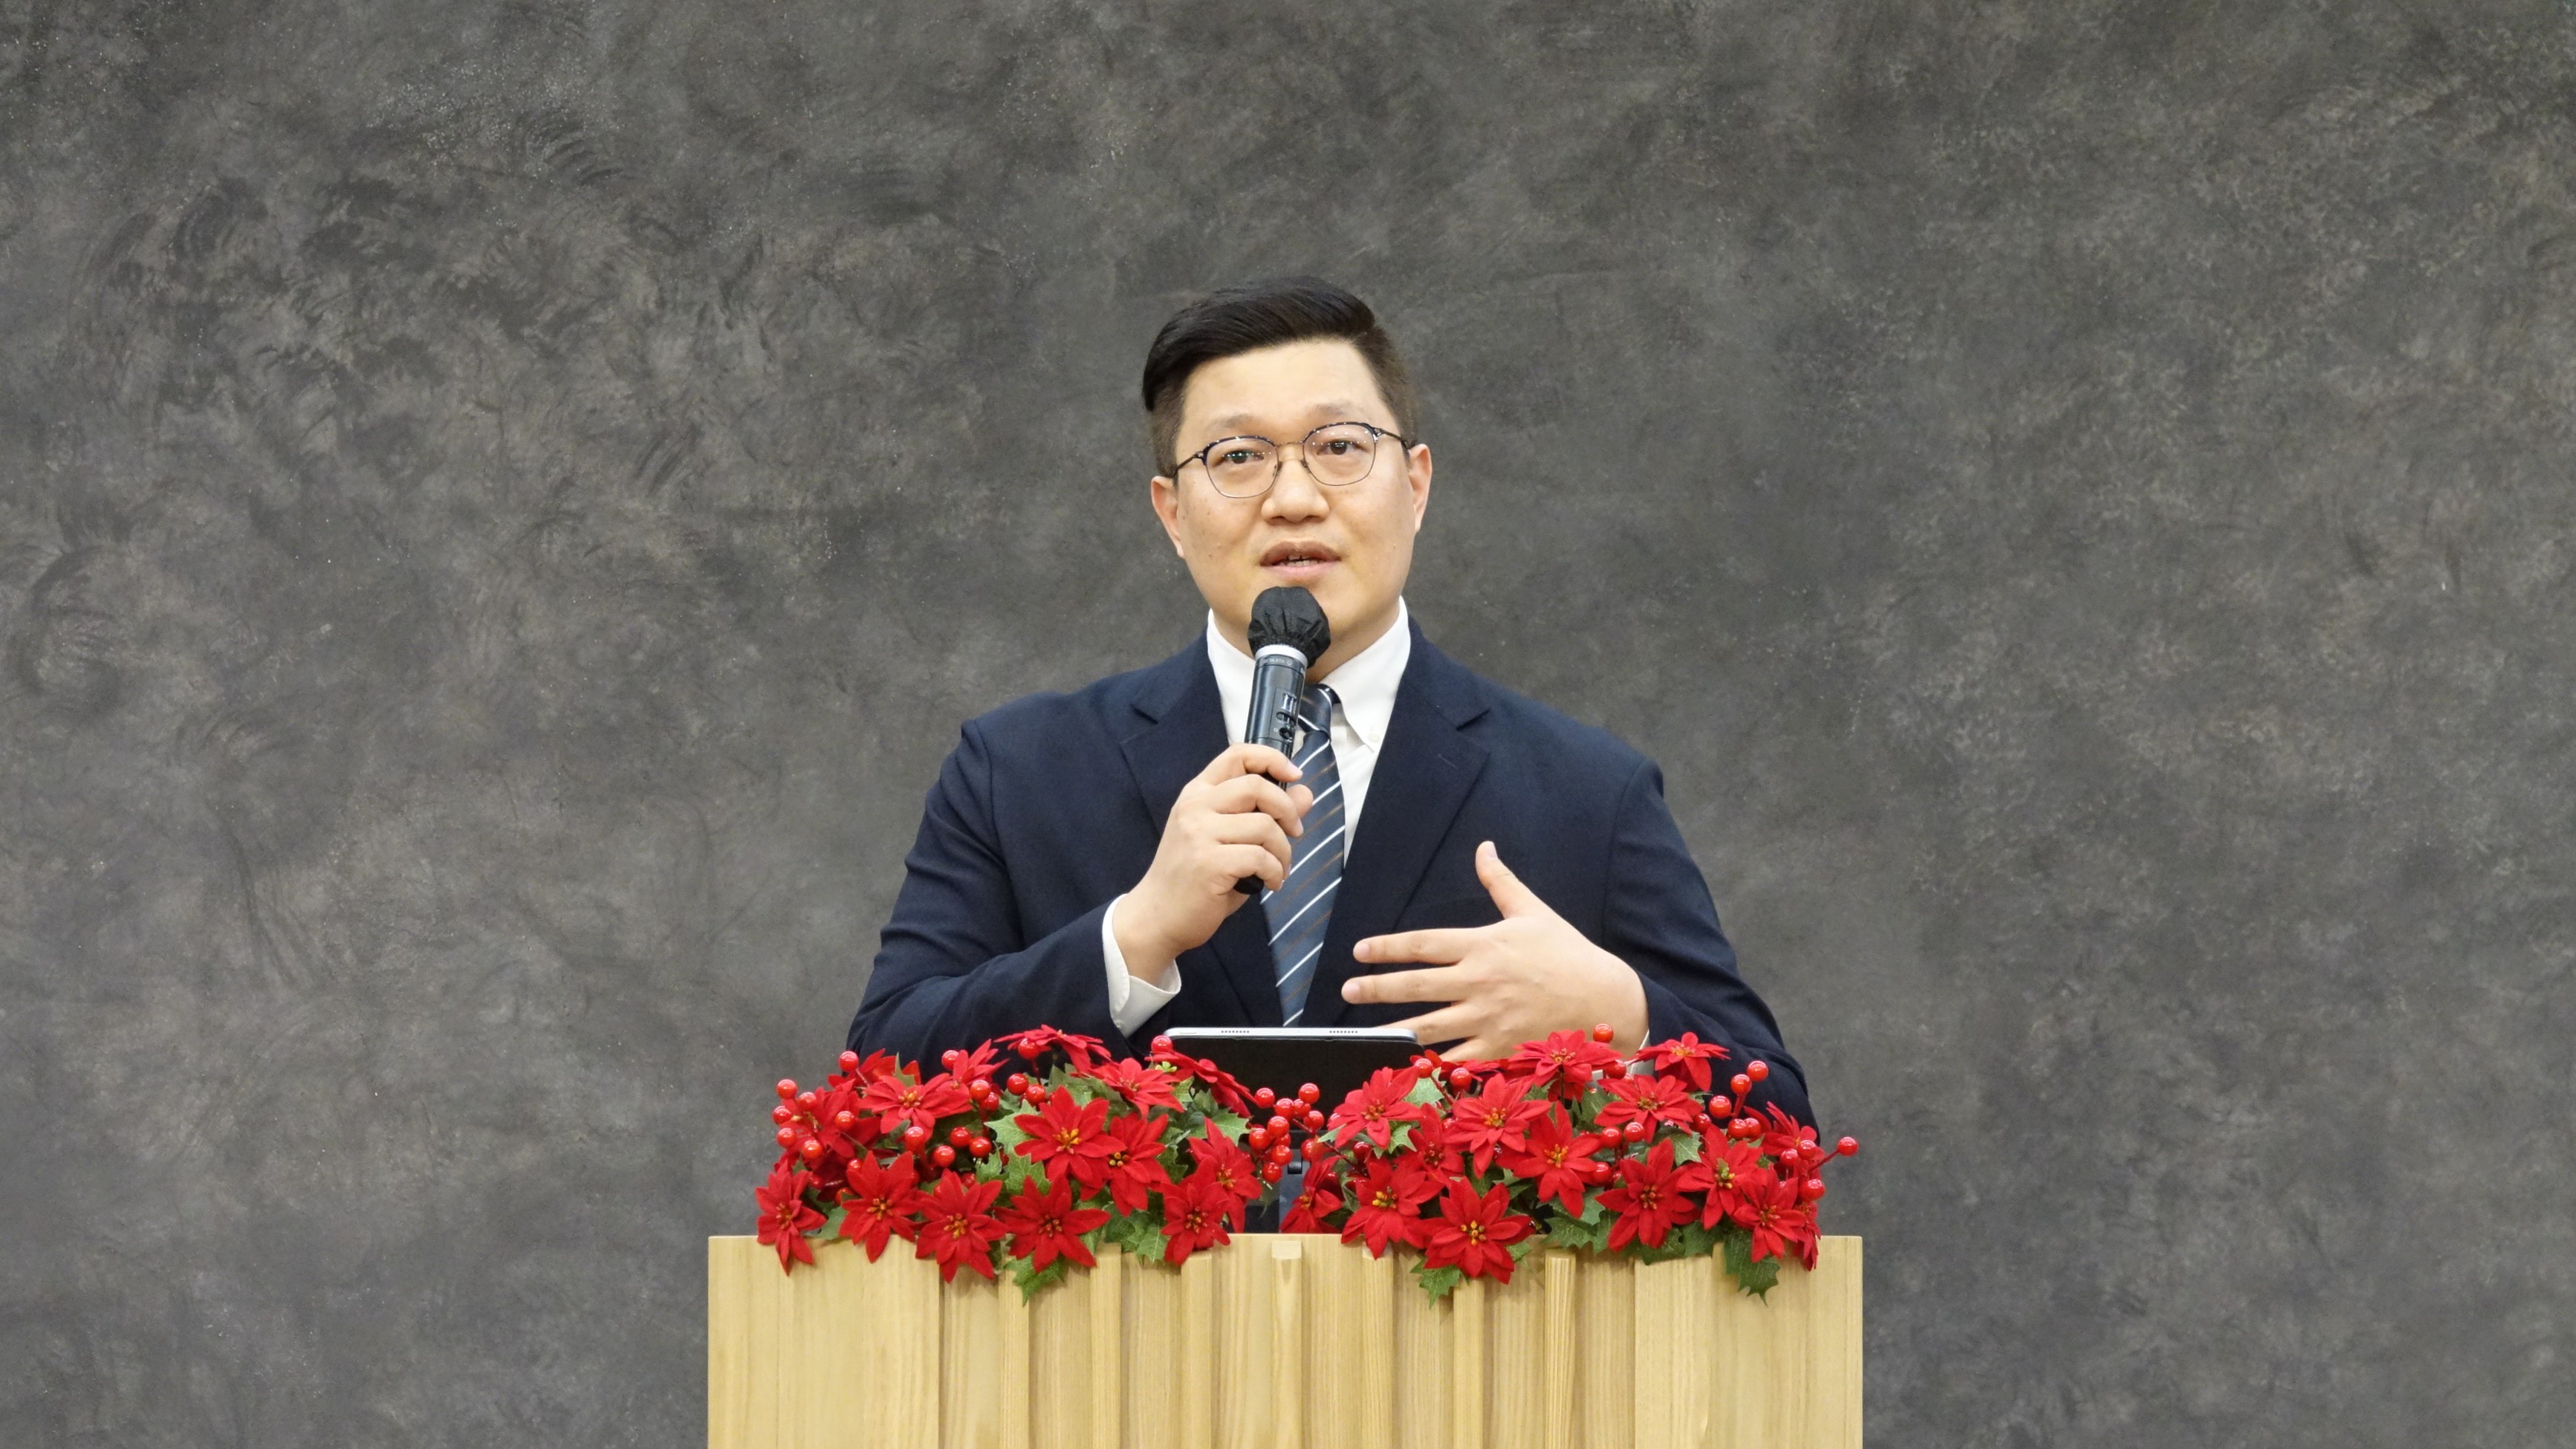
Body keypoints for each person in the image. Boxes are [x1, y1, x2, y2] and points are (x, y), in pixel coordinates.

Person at [847, 278, 1809, 1123]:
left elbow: (1778, 1118)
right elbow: (875, 1088)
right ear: (1172, 513)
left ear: (1416, 485)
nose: (1294, 498)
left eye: (1340, 446)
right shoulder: (1019, 773)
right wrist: (1136, 932)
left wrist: (1621, 1016)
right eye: (1238, 457)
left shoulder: (1587, 792)